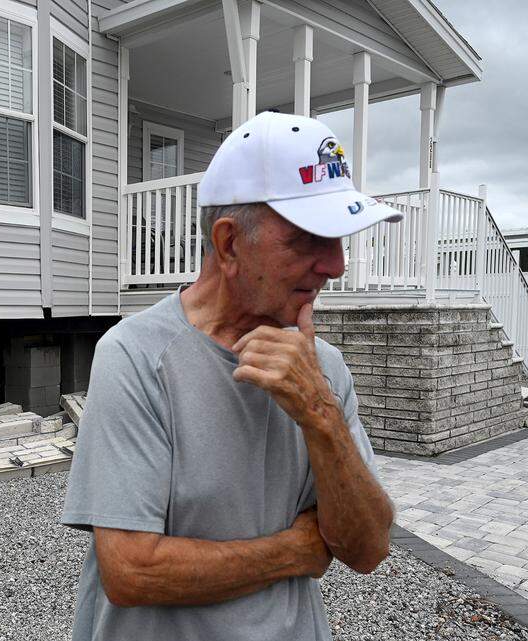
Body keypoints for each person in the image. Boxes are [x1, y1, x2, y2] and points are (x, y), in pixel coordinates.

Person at [61, 112, 400, 641]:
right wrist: (296, 549)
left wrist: (319, 413)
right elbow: (131, 570)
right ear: (228, 244)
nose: (335, 265)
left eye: (340, 239)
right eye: (309, 238)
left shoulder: (323, 370)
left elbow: (367, 550)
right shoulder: (134, 356)